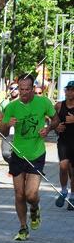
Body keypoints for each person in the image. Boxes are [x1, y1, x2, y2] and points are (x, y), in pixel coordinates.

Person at [0, 73, 56, 240]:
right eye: (21, 89)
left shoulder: (43, 102)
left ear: (33, 89)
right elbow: (2, 132)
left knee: (30, 194)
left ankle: (35, 208)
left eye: (27, 89)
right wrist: (7, 125)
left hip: (36, 153)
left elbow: (56, 119)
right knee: (19, 194)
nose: (23, 93)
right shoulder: (11, 107)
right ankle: (23, 227)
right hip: (17, 154)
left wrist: (48, 129)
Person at [54, 79, 74, 210]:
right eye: (67, 89)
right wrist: (56, 127)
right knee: (63, 166)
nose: (69, 92)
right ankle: (63, 191)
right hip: (63, 141)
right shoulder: (59, 105)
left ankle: (72, 197)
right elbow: (53, 121)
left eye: (72, 90)